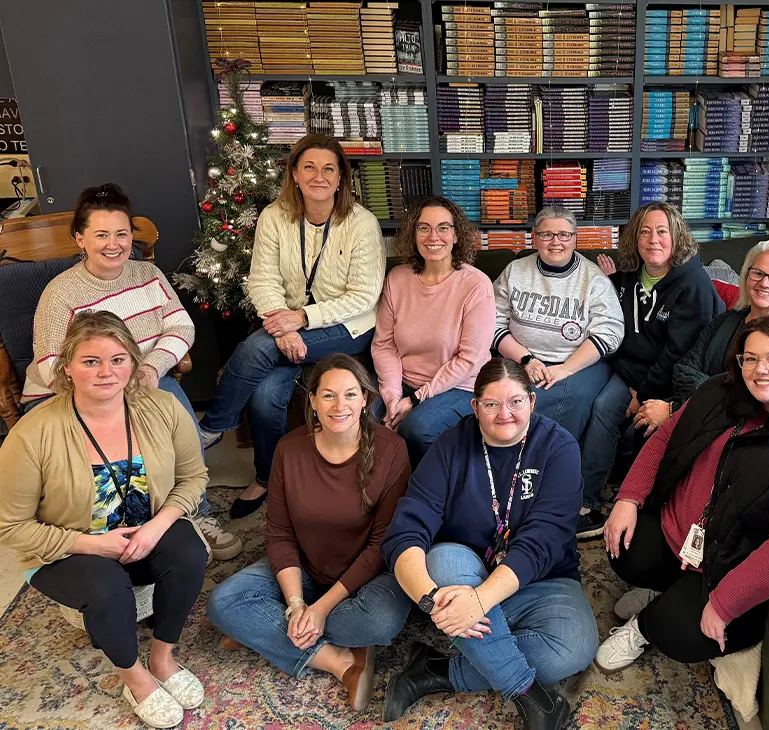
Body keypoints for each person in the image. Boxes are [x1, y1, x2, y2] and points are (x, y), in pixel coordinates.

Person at [0, 311, 209, 729]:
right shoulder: (31, 433)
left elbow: (193, 477)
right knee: (106, 585)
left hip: (143, 533)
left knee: (189, 552)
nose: (105, 372)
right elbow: (11, 526)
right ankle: (134, 679)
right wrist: (93, 544)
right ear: (67, 368)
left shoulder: (162, 406)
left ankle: (162, 657)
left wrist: (156, 527)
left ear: (133, 362)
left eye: (117, 359)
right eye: (90, 361)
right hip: (67, 547)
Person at [595, 315, 769, 671]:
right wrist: (628, 499)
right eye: (749, 358)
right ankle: (669, 592)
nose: (760, 369)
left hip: (731, 565)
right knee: (624, 549)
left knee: (675, 631)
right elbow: (664, 438)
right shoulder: (718, 391)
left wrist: (726, 601)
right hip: (678, 533)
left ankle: (646, 625)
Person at [21, 183, 240, 560]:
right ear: (80, 239)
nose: (114, 244)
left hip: (142, 379)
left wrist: (152, 367)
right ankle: (109, 528)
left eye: (122, 234)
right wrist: (109, 391)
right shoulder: (62, 293)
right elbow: (49, 364)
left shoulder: (148, 275)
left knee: (176, 415)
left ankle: (194, 513)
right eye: (101, 234)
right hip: (75, 392)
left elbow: (181, 327)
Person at [380, 357, 597, 730]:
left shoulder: (559, 447)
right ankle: (528, 694)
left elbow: (543, 541)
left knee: (572, 648)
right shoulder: (450, 447)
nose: (504, 415)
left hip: (539, 579)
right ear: (475, 406)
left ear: (532, 401)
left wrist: (479, 602)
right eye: (492, 404)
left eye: (515, 402)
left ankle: (436, 668)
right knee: (444, 560)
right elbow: (406, 530)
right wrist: (432, 601)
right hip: (464, 576)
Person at [207, 353, 411, 711]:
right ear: (312, 401)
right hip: (304, 569)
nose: (339, 405)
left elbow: (383, 545)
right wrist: (298, 603)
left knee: (381, 622)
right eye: (328, 395)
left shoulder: (392, 450)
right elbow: (279, 534)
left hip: (367, 576)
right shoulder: (289, 449)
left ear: (366, 399)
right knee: (222, 603)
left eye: (350, 394)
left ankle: (263, 631)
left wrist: (320, 610)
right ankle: (339, 661)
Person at [197, 133, 386, 519]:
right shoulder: (274, 216)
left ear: (340, 179)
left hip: (348, 327)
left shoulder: (360, 223)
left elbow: (364, 297)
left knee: (256, 347)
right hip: (287, 326)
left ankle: (211, 429)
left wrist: (302, 319)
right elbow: (262, 280)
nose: (319, 176)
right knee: (267, 395)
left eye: (329, 169)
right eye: (310, 167)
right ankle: (266, 478)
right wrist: (285, 330)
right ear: (295, 175)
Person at [576, 202, 724, 539]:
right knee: (601, 408)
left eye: (661, 231)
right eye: (644, 231)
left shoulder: (693, 284)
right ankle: (586, 504)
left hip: (672, 382)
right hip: (630, 373)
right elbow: (618, 320)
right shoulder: (628, 274)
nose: (653, 239)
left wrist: (641, 395)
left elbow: (678, 354)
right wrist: (611, 281)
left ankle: (638, 507)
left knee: (637, 431)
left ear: (676, 237)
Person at [372, 196, 495, 466]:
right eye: (423, 227)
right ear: (413, 234)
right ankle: (384, 494)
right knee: (365, 419)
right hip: (404, 382)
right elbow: (384, 345)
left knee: (416, 429)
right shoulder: (397, 279)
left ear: (456, 235)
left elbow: (469, 359)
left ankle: (430, 495)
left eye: (443, 227)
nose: (433, 236)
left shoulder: (476, 285)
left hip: (461, 386)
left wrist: (416, 398)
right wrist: (393, 395)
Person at [492, 205, 624, 441]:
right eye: (547, 234)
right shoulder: (515, 271)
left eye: (564, 234)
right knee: (503, 397)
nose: (556, 242)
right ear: (535, 238)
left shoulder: (594, 278)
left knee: (559, 398)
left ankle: (552, 465)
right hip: (521, 359)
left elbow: (609, 332)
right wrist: (526, 360)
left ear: (575, 239)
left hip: (580, 364)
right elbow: (492, 322)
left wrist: (566, 368)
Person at [669, 240, 769, 416]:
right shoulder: (726, 320)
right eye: (758, 273)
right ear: (746, 275)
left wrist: (674, 409)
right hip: (696, 411)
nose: (765, 283)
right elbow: (684, 370)